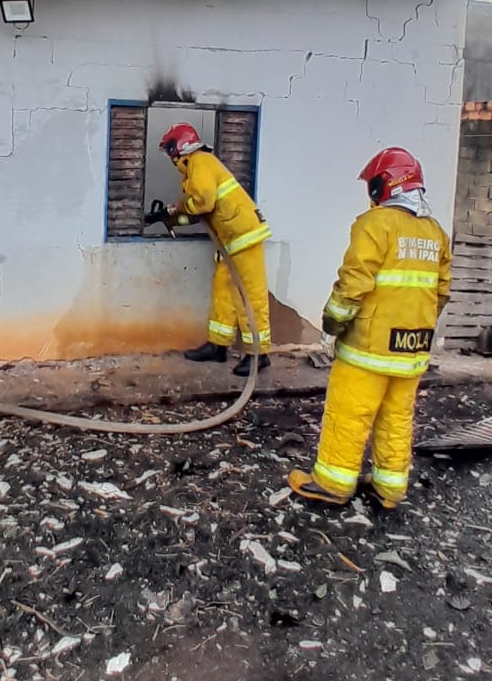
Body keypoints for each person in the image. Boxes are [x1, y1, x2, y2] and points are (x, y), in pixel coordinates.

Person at [289, 146, 452, 510]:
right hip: (412, 351)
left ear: (384, 186)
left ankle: (332, 484)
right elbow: (442, 293)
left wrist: (332, 324)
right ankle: (389, 489)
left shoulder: (374, 224)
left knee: (349, 413)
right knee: (396, 419)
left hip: (368, 349)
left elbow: (353, 284)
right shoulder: (436, 233)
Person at [159, 122, 272, 376]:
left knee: (249, 296)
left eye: (170, 149)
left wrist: (178, 208)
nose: (170, 156)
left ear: (181, 145)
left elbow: (203, 202)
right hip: (230, 240)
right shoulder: (195, 168)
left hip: (244, 236)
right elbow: (201, 210)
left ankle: (259, 354)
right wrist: (169, 217)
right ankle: (218, 346)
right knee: (223, 289)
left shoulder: (199, 161)